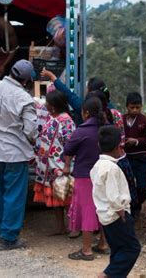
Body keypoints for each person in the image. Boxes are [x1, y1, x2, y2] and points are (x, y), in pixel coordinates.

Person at [0, 59, 38, 250]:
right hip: (14, 153)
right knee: (14, 195)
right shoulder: (24, 99)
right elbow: (31, 131)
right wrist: (33, 142)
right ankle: (9, 237)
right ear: (26, 80)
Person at [90, 125, 141, 278]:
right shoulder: (112, 168)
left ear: (99, 145)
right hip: (116, 215)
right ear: (119, 146)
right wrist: (122, 213)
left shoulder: (97, 166)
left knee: (118, 250)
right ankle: (107, 275)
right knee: (132, 249)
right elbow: (113, 196)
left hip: (105, 216)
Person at [63, 97, 109, 261]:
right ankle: (103, 244)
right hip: (105, 173)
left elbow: (68, 149)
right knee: (103, 209)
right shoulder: (106, 129)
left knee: (88, 211)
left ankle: (87, 250)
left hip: (85, 175)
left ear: (86, 113)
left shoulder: (82, 131)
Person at [33, 90, 76, 235]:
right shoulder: (53, 119)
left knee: (67, 197)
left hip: (61, 166)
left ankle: (73, 228)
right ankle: (60, 227)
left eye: (47, 103)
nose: (45, 105)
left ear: (53, 106)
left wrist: (66, 165)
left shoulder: (67, 121)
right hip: (51, 167)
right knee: (56, 199)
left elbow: (70, 145)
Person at [41, 68, 113, 125]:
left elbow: (68, 94)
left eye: (87, 89)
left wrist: (52, 77)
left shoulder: (82, 107)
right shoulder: (113, 110)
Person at [123, 92, 146, 216]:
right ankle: (131, 209)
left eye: (137, 107)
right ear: (127, 107)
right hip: (126, 157)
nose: (135, 110)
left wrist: (136, 141)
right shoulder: (121, 120)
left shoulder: (144, 121)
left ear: (141, 106)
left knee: (143, 186)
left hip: (141, 157)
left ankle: (138, 203)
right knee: (127, 184)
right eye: (132, 107)